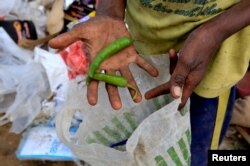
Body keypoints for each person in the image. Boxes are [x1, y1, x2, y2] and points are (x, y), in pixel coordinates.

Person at [49, 0, 250, 165]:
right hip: (139, 52)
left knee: (196, 153)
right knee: (143, 146)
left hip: (215, 60)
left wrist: (215, 31)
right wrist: (110, 11)